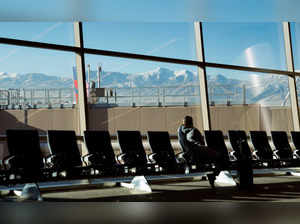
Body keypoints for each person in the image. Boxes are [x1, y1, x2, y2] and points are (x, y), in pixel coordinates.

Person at [178, 115, 225, 188]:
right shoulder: (193, 130)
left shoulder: (180, 132)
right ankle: (215, 173)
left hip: (192, 153)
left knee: (214, 159)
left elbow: (186, 144)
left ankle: (213, 174)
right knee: (219, 157)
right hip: (198, 151)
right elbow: (200, 142)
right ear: (191, 122)